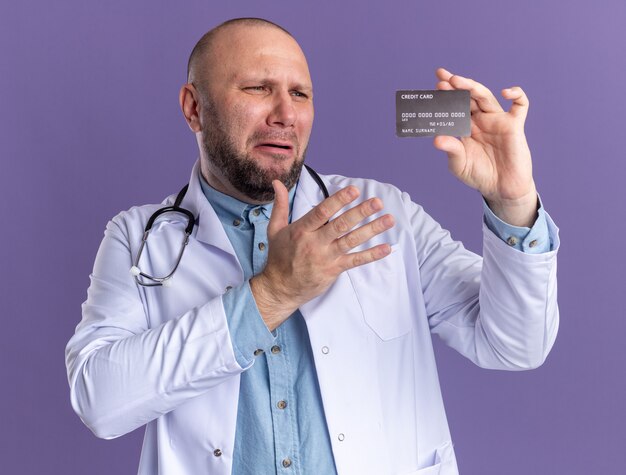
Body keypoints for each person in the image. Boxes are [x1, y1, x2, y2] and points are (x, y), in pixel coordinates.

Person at [65, 17, 559, 475]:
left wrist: (512, 199)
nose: (285, 114)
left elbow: (515, 345)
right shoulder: (139, 237)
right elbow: (100, 401)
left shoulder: (382, 214)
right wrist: (272, 294)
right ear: (195, 107)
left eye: (300, 94)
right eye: (258, 88)